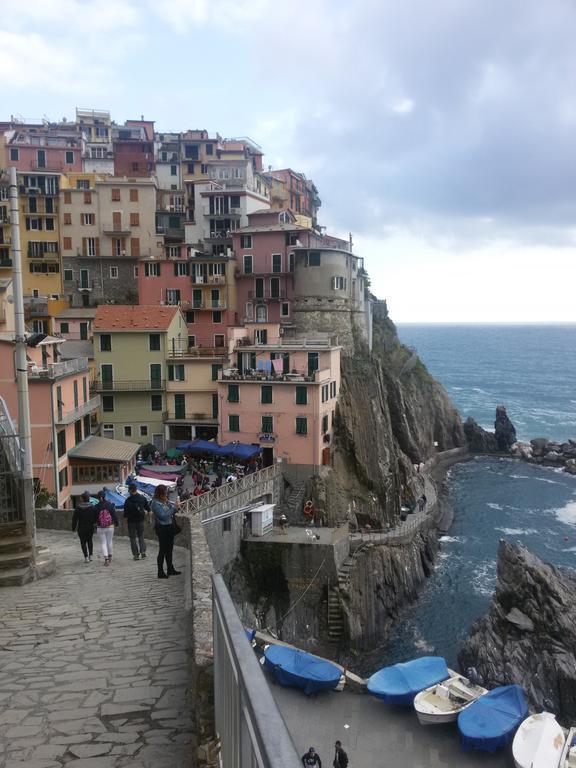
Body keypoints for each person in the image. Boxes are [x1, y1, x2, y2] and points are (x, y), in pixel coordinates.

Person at [151, 484, 181, 579]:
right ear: (160, 493)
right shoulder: (155, 504)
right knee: (163, 550)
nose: (166, 494)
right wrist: (173, 508)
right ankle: (160, 572)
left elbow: (171, 512)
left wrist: (176, 507)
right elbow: (163, 516)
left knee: (169, 549)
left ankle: (170, 569)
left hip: (169, 527)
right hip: (162, 529)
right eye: (165, 493)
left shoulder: (164, 501)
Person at [123, 482, 150, 561]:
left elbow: (125, 515)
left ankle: (136, 555)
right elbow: (149, 510)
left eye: (129, 490)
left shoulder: (128, 500)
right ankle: (143, 552)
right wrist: (150, 519)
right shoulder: (142, 498)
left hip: (131, 522)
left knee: (132, 538)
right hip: (140, 521)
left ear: (131, 491)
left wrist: (125, 524)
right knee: (141, 536)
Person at [95, 489, 119, 566]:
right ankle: (110, 556)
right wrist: (117, 523)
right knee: (109, 542)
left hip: (100, 527)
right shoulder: (110, 504)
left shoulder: (96, 506)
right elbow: (114, 515)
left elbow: (94, 517)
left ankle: (106, 559)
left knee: (103, 543)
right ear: (105, 496)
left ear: (98, 497)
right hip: (110, 526)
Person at [72, 491, 97, 562]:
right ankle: (91, 555)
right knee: (90, 541)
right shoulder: (92, 507)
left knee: (83, 542)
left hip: (81, 528)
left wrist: (73, 529)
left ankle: (86, 557)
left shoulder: (78, 508)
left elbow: (74, 519)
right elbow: (96, 517)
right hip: (90, 527)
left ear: (82, 499)